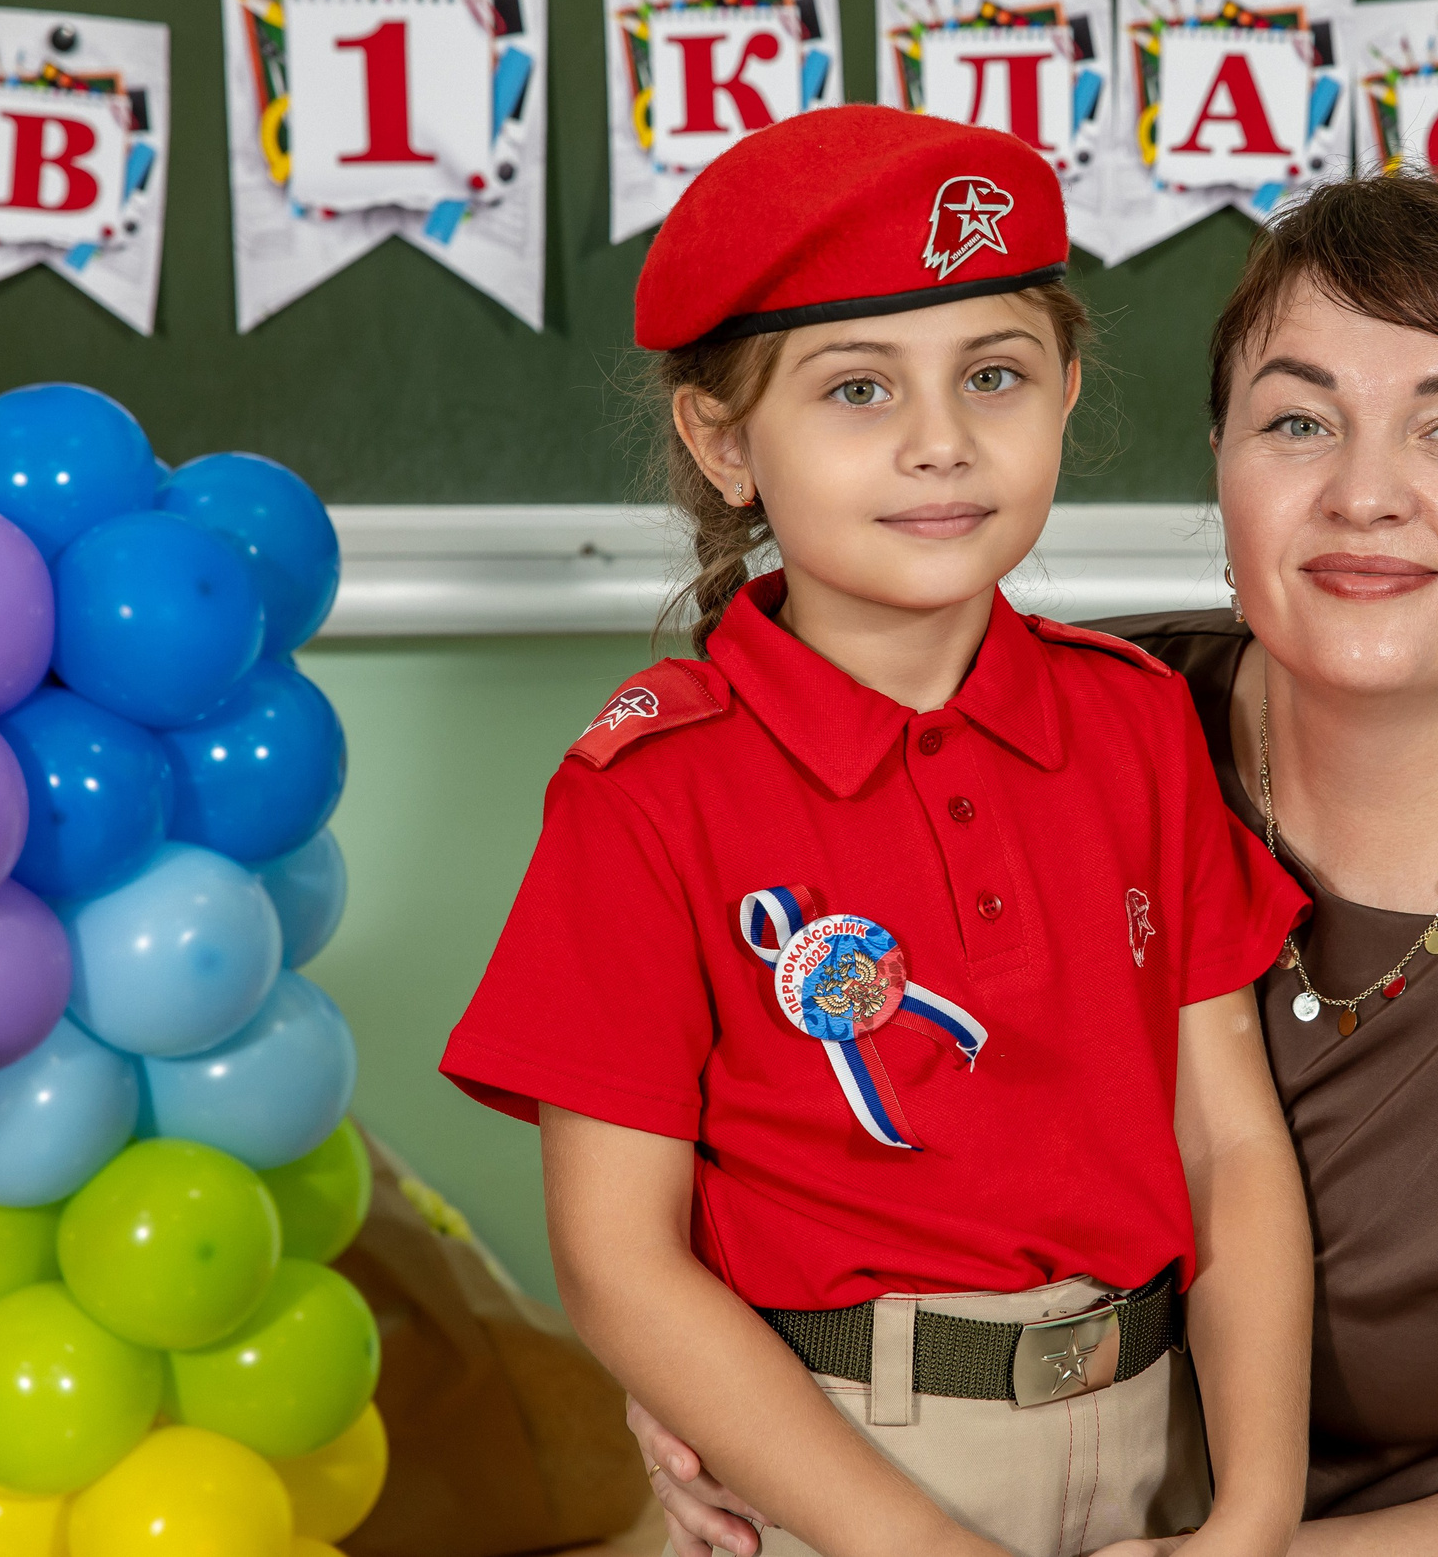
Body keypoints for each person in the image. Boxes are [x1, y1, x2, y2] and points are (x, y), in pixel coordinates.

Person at [630, 171, 1438, 1557]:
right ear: (1221, 465)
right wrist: (722, 1396)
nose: (1367, 494)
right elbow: (750, 1062)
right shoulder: (1048, 719)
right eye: (1300, 421)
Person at [440, 106, 1316, 1557]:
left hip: (1161, 1437)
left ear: (1068, 391)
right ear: (724, 442)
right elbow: (617, 1262)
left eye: (994, 375)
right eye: (858, 390)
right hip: (841, 1474)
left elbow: (1228, 1139)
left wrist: (1258, 1509)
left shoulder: (1139, 723)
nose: (941, 444)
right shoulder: (649, 790)